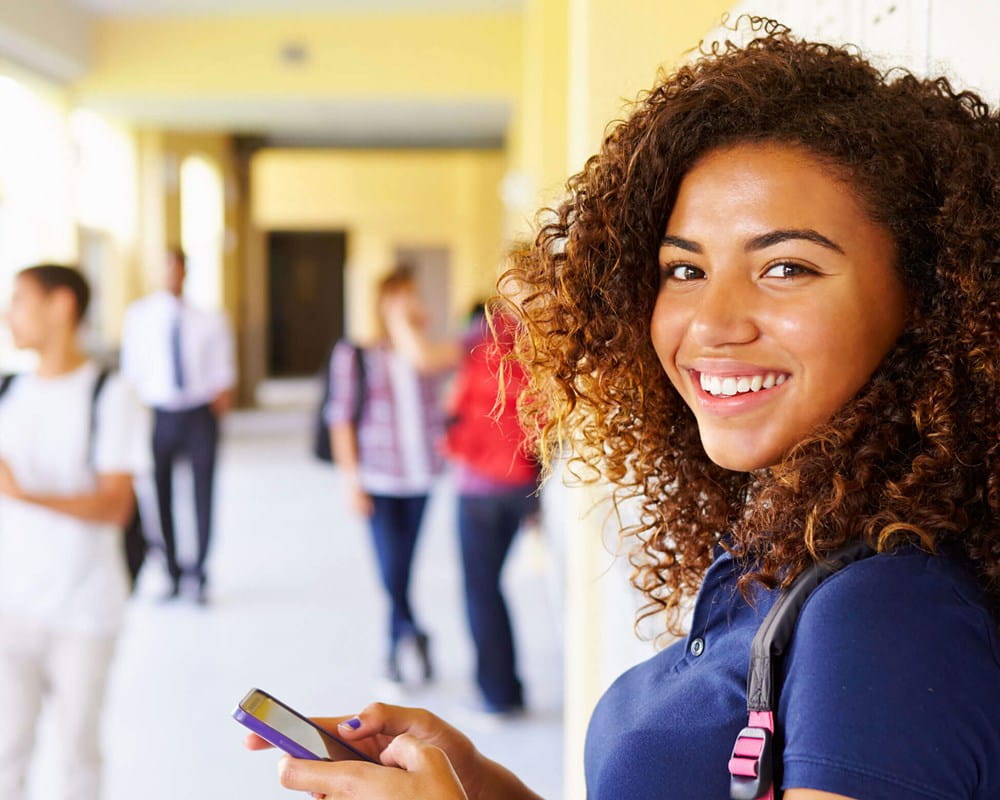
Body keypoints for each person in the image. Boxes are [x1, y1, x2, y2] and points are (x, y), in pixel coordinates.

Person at [246, 19, 1000, 799]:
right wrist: (483, 788)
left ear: (933, 297)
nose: (711, 323)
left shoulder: (889, 618)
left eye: (785, 267)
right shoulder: (785, 540)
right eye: (684, 270)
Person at [0, 265, 149, 800]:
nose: (7, 314)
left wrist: (24, 494)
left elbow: (115, 504)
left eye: (19, 300)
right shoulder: (9, 391)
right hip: (11, 605)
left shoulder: (111, 393)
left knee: (77, 753)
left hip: (84, 609)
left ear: (62, 305)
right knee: (7, 750)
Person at [328, 267, 455, 684]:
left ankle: (400, 644)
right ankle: (408, 636)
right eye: (400, 296)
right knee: (391, 570)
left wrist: (413, 326)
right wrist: (351, 482)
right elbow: (340, 420)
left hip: (421, 478)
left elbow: (446, 375)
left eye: (413, 295)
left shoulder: (424, 352)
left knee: (403, 568)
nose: (409, 303)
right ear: (382, 303)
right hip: (379, 480)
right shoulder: (355, 355)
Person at [121, 247, 236, 604]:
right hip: (159, 413)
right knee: (160, 494)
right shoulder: (138, 317)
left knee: (203, 492)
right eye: (165, 268)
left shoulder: (210, 318)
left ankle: (199, 571)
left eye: (177, 268)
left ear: (186, 272)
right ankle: (171, 572)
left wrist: (220, 404)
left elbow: (223, 371)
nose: (171, 274)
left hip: (198, 412)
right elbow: (131, 372)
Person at [444, 300, 540, 715]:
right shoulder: (533, 346)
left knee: (481, 590)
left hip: (478, 488)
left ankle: (496, 692)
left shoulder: (476, 343)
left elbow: (450, 401)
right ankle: (507, 686)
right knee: (492, 587)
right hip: (519, 485)